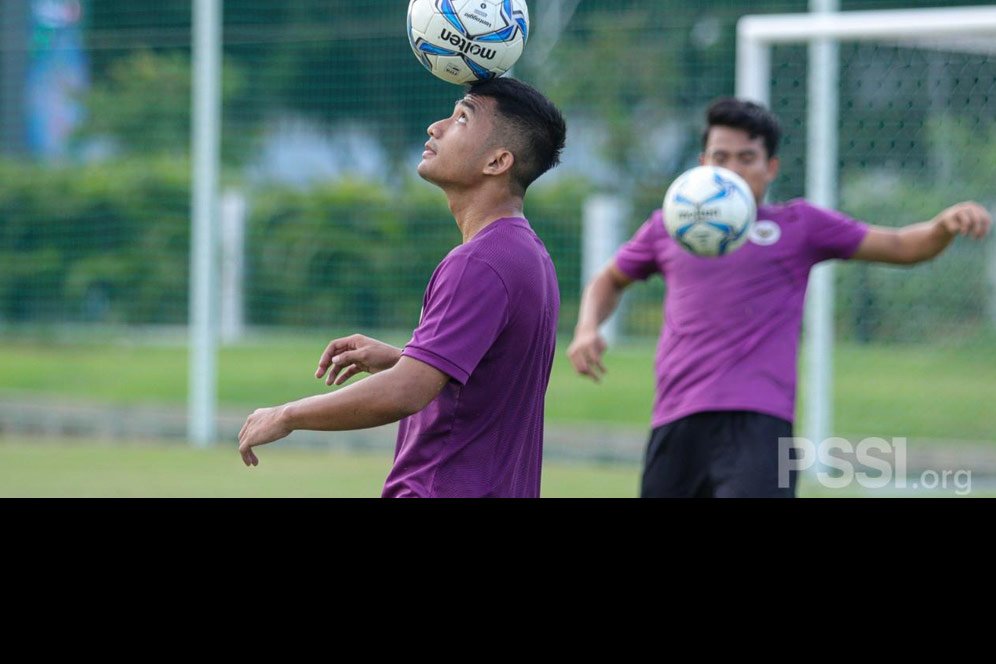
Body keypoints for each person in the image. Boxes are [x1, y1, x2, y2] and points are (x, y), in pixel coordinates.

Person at [567, 97, 992, 498]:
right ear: (702, 165)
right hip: (676, 419)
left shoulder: (799, 225)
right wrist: (587, 329)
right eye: (720, 157)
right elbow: (609, 279)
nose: (732, 169)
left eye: (746, 158)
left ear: (770, 167)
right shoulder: (667, 226)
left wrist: (942, 226)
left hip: (761, 422)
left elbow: (900, 245)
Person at [238, 77, 567, 498]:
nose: (437, 126)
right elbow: (490, 381)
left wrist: (287, 414)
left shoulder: (477, 263)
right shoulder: (528, 254)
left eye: (462, 118)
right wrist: (409, 358)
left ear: (497, 162)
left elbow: (405, 393)